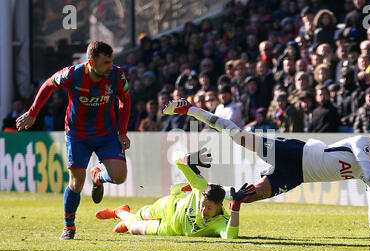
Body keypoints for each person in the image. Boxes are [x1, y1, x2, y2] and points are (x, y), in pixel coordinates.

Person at [163, 99, 370, 238]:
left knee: (247, 197)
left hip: (297, 175)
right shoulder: (361, 144)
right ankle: (191, 109)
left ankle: (203, 192)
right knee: (239, 137)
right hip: (297, 152)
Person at [15, 41, 131, 240]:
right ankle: (69, 226)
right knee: (76, 183)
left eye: (111, 61)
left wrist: (122, 132)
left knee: (120, 176)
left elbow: (125, 101)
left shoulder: (117, 75)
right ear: (91, 62)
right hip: (77, 134)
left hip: (107, 133)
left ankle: (98, 177)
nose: (110, 66)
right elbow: (47, 85)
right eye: (106, 62)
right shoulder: (73, 74)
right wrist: (33, 113)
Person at [95, 149, 255, 238]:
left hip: (169, 228)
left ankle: (121, 212)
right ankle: (129, 215)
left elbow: (230, 236)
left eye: (209, 208)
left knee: (134, 227)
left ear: (220, 206)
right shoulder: (201, 186)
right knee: (144, 213)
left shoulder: (220, 222)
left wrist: (235, 207)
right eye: (202, 206)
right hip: (168, 205)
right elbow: (177, 160)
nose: (203, 211)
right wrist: (189, 157)